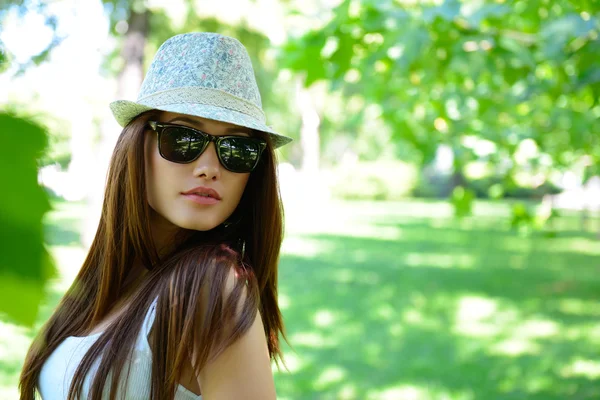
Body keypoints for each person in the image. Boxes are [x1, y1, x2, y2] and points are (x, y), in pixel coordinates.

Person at [19, 32, 293, 400]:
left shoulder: (212, 285)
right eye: (183, 138)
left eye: (237, 148)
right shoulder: (110, 283)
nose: (210, 167)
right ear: (135, 146)